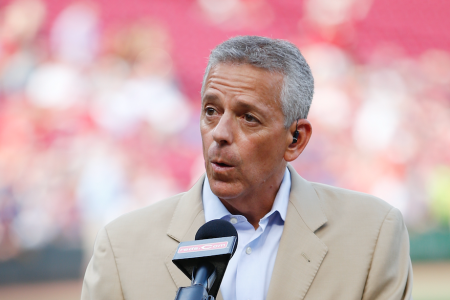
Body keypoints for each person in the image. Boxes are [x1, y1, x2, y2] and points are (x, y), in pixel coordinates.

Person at [81, 36, 413, 300]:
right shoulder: (121, 247)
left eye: (248, 117)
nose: (220, 133)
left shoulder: (373, 233)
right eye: (211, 111)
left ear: (295, 139)